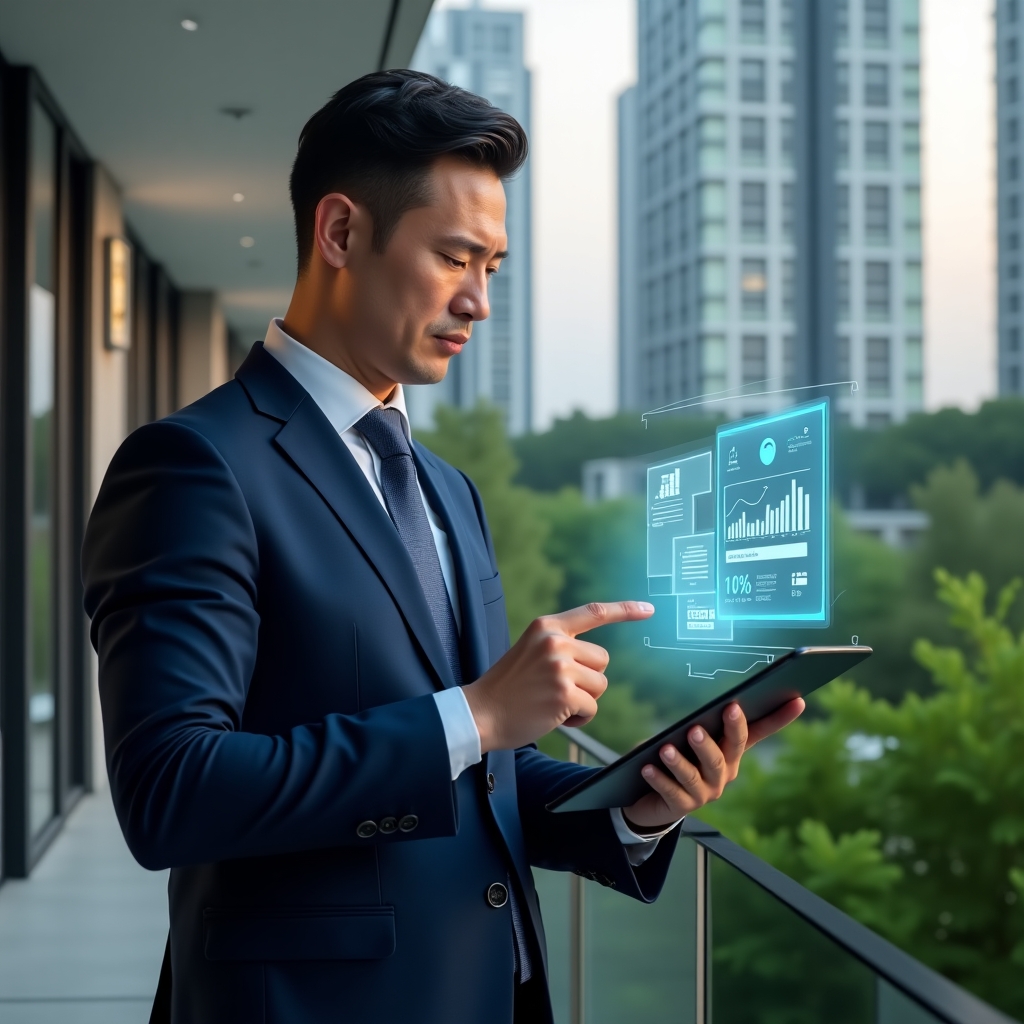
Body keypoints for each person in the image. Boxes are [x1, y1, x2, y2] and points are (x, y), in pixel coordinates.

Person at [82, 70, 803, 1024]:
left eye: (493, 268)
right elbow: (170, 788)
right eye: (455, 258)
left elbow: (478, 773)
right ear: (340, 233)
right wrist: (473, 712)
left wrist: (636, 804)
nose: (480, 303)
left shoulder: (446, 489)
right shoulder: (192, 467)